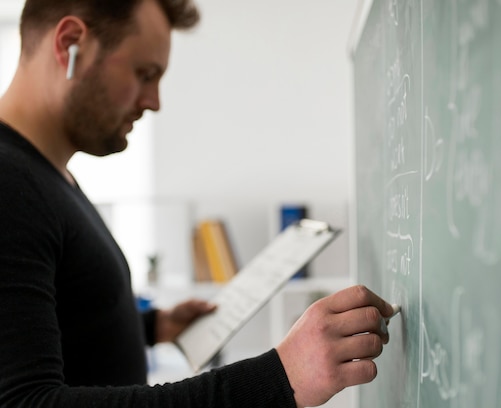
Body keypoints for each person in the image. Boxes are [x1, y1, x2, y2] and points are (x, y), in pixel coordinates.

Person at [0, 1, 395, 407]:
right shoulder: (8, 180)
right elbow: (24, 402)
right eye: (145, 74)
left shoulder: (44, 175)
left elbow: (51, 321)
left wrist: (152, 327)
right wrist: (280, 378)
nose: (154, 101)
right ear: (70, 44)